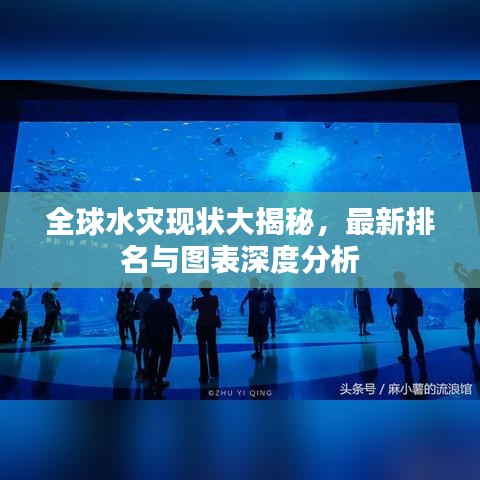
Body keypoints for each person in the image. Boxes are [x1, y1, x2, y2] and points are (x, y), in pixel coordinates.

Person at [144, 287, 182, 387]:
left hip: (153, 334)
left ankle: (152, 378)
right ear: (169, 293)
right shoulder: (169, 306)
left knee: (154, 355)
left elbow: (145, 316)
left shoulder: (153, 304)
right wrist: (178, 333)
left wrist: (148, 328)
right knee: (165, 357)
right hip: (166, 336)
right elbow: (174, 320)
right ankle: (160, 379)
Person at [386, 271, 425, 364]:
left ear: (395, 278)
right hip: (412, 315)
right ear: (404, 278)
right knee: (416, 335)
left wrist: (389, 291)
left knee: (404, 337)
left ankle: (405, 355)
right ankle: (420, 355)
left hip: (402, 315)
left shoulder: (396, 288)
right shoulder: (410, 287)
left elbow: (391, 303)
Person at [192, 281, 220, 383]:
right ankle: (214, 372)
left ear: (202, 289)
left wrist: (193, 301)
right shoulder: (215, 298)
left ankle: (204, 375)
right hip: (211, 326)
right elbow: (215, 309)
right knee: (212, 349)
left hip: (201, 326)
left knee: (202, 351)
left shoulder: (199, 300)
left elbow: (193, 308)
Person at [453, 263, 480, 354]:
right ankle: (471, 347)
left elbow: (457, 273)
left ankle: (471, 346)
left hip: (470, 306)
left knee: (470, 327)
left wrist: (456, 267)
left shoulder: (468, 280)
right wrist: (466, 272)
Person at [241, 278, 268, 359]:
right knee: (259, 335)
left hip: (254, 317)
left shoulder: (252, 293)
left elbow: (244, 301)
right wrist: (262, 313)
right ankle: (259, 352)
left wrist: (242, 306)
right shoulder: (258, 293)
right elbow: (264, 305)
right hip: (258, 317)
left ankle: (257, 352)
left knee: (256, 335)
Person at [133, 277, 155, 377]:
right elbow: (152, 312)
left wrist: (141, 315)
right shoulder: (151, 297)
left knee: (139, 347)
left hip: (142, 325)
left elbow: (135, 310)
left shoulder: (139, 295)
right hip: (149, 327)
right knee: (147, 349)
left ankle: (139, 368)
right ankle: (146, 370)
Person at [116, 282, 137, 350]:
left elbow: (117, 295)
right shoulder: (132, 295)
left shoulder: (121, 294)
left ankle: (123, 344)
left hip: (122, 316)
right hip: (129, 316)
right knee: (132, 331)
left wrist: (120, 287)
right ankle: (134, 344)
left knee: (122, 331)